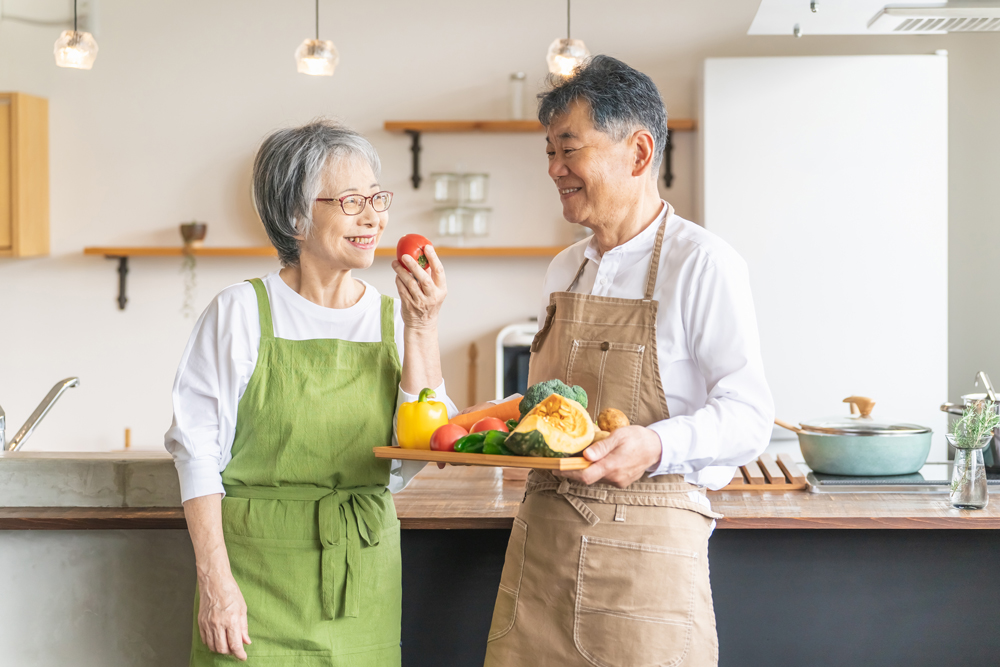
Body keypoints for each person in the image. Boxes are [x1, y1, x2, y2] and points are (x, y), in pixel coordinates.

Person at [482, 56, 774, 667]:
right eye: (549, 153)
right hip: (542, 552)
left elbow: (750, 418)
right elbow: (548, 410)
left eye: (570, 149)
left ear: (638, 153)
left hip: (647, 563)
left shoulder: (703, 264)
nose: (555, 170)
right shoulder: (567, 269)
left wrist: (655, 445)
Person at [164, 119, 453, 666]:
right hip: (253, 582)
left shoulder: (396, 317)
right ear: (296, 217)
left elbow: (422, 449)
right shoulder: (241, 312)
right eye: (350, 200)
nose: (373, 217)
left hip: (362, 579)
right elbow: (196, 453)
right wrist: (216, 583)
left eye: (376, 197)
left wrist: (423, 328)